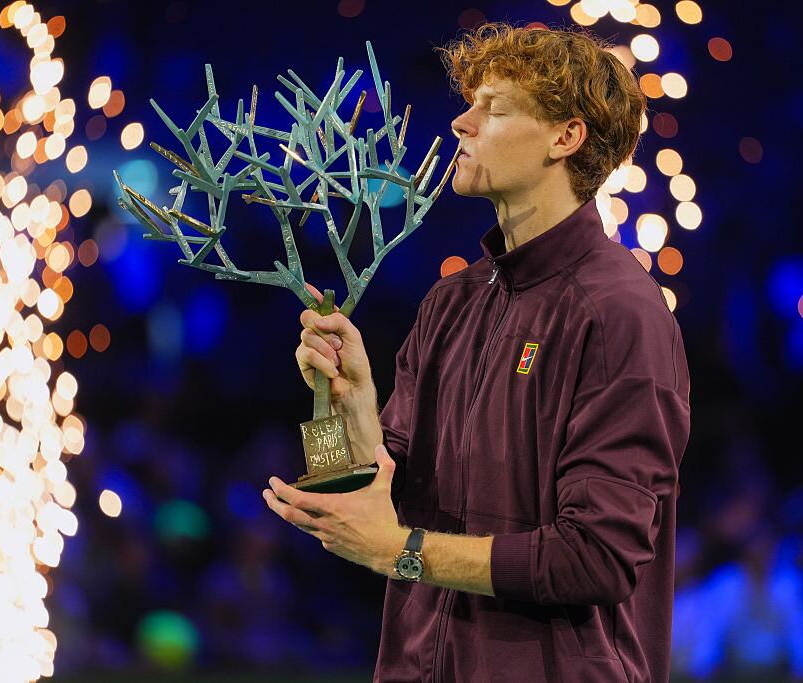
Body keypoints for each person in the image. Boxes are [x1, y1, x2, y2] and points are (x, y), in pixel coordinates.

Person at [262, 22, 691, 682]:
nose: (461, 124)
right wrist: (341, 408)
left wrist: (402, 551)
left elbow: (595, 556)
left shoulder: (620, 313)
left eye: (493, 108)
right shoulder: (450, 302)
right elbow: (356, 500)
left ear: (565, 136)